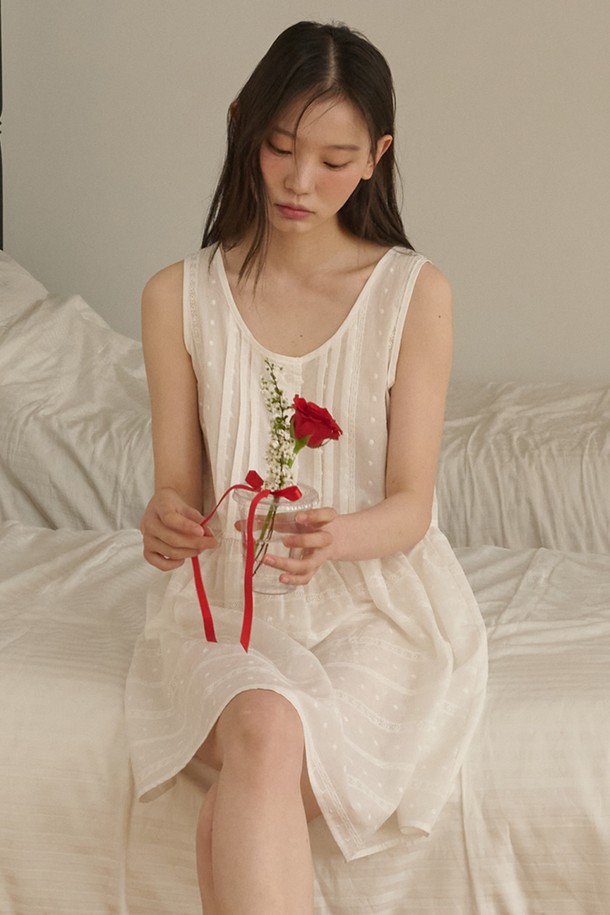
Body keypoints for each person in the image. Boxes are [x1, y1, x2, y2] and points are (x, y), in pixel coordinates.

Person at [125, 20, 487, 915]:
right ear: (243, 126)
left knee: (251, 772)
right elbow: (180, 487)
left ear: (376, 159)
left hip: (374, 608)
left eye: (333, 160)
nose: (298, 181)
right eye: (281, 148)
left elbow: (410, 507)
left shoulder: (414, 294)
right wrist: (165, 520)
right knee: (263, 722)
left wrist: (338, 536)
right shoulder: (178, 296)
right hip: (229, 608)